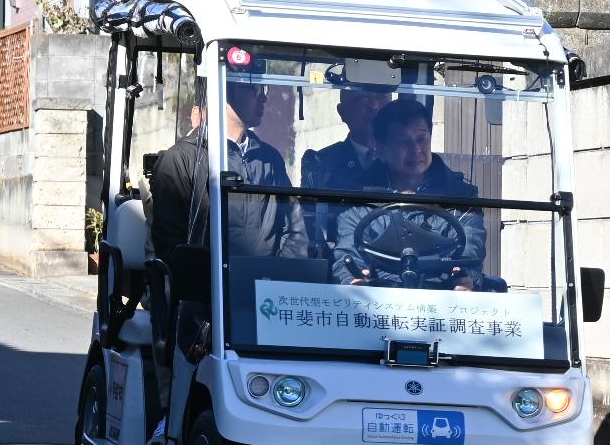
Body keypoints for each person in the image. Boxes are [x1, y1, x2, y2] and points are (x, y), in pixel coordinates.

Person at [149, 76, 307, 264]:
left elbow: (294, 229)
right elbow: (169, 244)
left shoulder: (269, 159)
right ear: (222, 95)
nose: (264, 98)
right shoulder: (180, 159)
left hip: (265, 286)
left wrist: (277, 276)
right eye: (255, 89)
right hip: (207, 287)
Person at [332, 97, 487, 288]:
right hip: (379, 300)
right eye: (403, 142)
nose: (416, 150)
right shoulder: (359, 200)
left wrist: (466, 278)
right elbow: (348, 257)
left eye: (422, 139)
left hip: (442, 298)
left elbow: (470, 252)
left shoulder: (461, 197)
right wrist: (354, 280)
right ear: (380, 149)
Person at [299, 87, 389, 253]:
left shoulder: (405, 162)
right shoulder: (320, 164)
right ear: (342, 111)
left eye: (382, 96)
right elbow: (312, 226)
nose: (374, 106)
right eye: (362, 98)